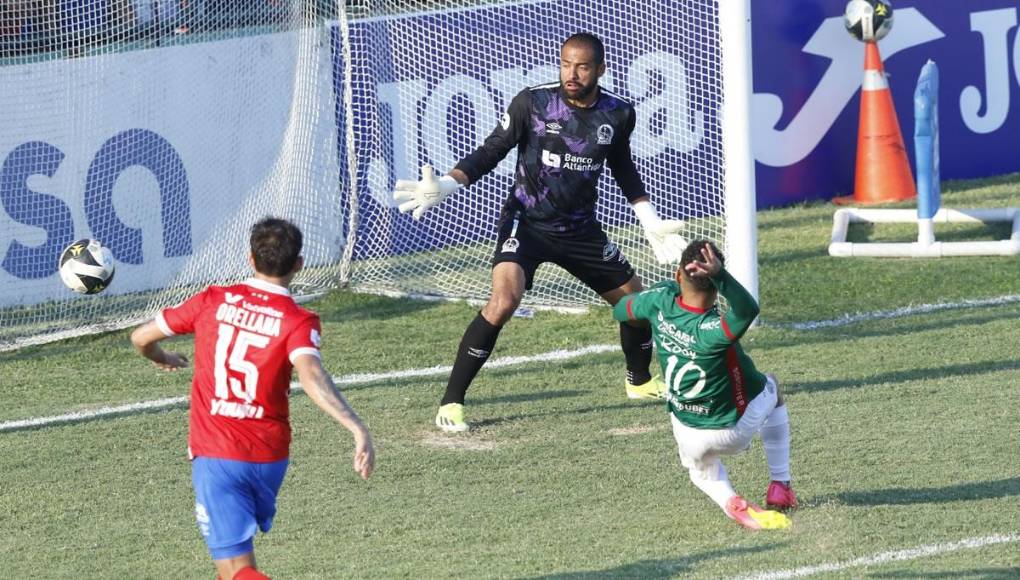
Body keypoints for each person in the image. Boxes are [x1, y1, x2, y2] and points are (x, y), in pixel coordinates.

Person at [393, 32, 688, 432]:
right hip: (526, 223)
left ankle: (639, 381)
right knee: (503, 301)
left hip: (581, 230)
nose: (572, 73)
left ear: (599, 70)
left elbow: (623, 167)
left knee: (635, 306)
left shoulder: (618, 114)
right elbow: (490, 150)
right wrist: (446, 184)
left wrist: (648, 219)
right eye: (566, 63)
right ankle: (452, 401)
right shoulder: (532, 103)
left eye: (582, 66)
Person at [130, 218, 375, 579]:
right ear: (298, 265)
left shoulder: (211, 301)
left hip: (217, 455)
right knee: (237, 566)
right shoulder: (298, 320)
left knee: (235, 571)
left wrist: (161, 357)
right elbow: (311, 374)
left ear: (250, 258)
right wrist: (356, 427)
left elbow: (140, 338)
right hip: (269, 457)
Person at [612, 240, 797, 530]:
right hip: (731, 430)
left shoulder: (657, 303)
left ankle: (731, 502)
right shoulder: (714, 331)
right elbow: (747, 310)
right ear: (716, 288)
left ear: (677, 276)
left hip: (686, 431)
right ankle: (780, 484)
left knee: (701, 473)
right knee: (772, 386)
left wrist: (664, 291)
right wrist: (721, 277)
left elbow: (621, 310)